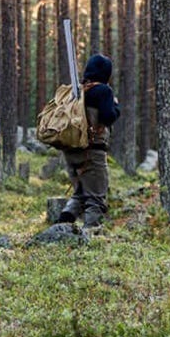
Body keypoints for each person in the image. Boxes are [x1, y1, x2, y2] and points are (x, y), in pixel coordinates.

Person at [58, 53, 120, 226]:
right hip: (92, 153)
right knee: (96, 199)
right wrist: (115, 106)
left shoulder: (76, 91)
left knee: (80, 194)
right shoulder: (103, 91)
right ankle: (92, 238)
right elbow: (108, 117)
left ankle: (62, 227)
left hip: (71, 152)